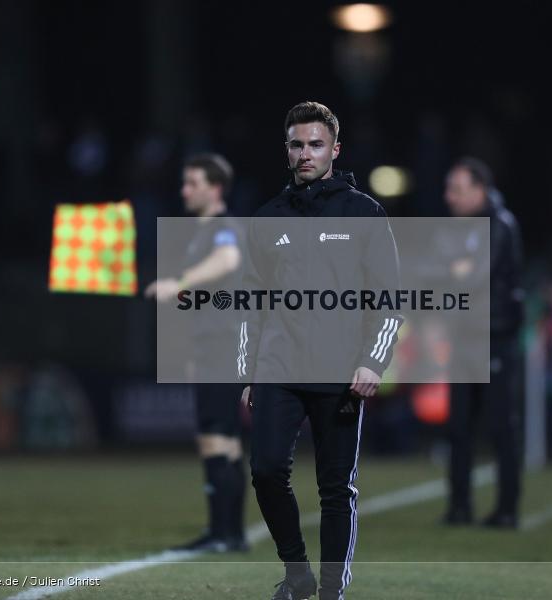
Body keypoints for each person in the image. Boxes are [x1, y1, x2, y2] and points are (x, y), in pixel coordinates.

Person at [237, 101, 402, 600]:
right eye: (296, 144)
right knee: (265, 470)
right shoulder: (267, 218)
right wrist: (247, 371)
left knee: (335, 490)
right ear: (285, 150)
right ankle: (297, 573)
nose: (305, 153)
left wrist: (373, 361)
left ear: (335, 148)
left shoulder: (365, 212)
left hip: (340, 370)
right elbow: (251, 304)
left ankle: (331, 591)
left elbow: (389, 299)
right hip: (278, 367)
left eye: (314, 144)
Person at [145, 153, 248, 553]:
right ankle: (230, 534)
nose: (184, 190)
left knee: (215, 437)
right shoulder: (201, 232)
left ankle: (221, 534)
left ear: (215, 188)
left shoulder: (222, 228)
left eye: (193, 183)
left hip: (223, 344)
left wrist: (179, 282)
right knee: (226, 439)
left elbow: (229, 260)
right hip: (212, 344)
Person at [438, 157, 525, 528]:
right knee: (458, 427)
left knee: (501, 428)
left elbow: (469, 277)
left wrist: (453, 271)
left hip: (494, 339)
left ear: (480, 190)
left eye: (457, 189)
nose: (449, 198)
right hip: (465, 340)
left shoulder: (500, 225)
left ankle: (506, 510)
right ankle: (460, 506)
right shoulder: (464, 228)